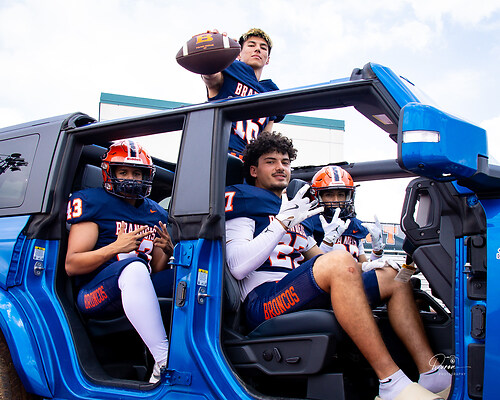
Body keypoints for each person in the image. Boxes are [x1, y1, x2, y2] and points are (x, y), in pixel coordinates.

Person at [224, 132, 451, 400]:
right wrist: (280, 223)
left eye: (285, 162)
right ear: (253, 170)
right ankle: (391, 381)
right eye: (270, 162)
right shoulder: (247, 201)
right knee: (340, 260)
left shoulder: (294, 209)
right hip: (262, 300)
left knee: (393, 276)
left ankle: (431, 373)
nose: (280, 168)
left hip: (295, 292)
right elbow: (237, 265)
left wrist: (370, 265)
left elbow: (319, 258)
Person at [65, 139, 174, 384]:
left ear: (147, 176)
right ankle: (164, 361)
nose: (131, 179)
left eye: (137, 173)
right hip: (94, 293)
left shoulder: (155, 212)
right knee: (134, 268)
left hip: (138, 283)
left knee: (186, 278)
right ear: (109, 173)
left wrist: (167, 251)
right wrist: (114, 248)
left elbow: (156, 269)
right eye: (123, 172)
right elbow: (72, 265)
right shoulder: (94, 202)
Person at [201, 28, 283, 158]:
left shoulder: (270, 92)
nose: (257, 49)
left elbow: (265, 141)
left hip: (247, 160)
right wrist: (210, 53)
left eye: (263, 47)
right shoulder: (229, 69)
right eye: (251, 45)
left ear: (267, 59)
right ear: (238, 54)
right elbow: (210, 76)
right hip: (220, 153)